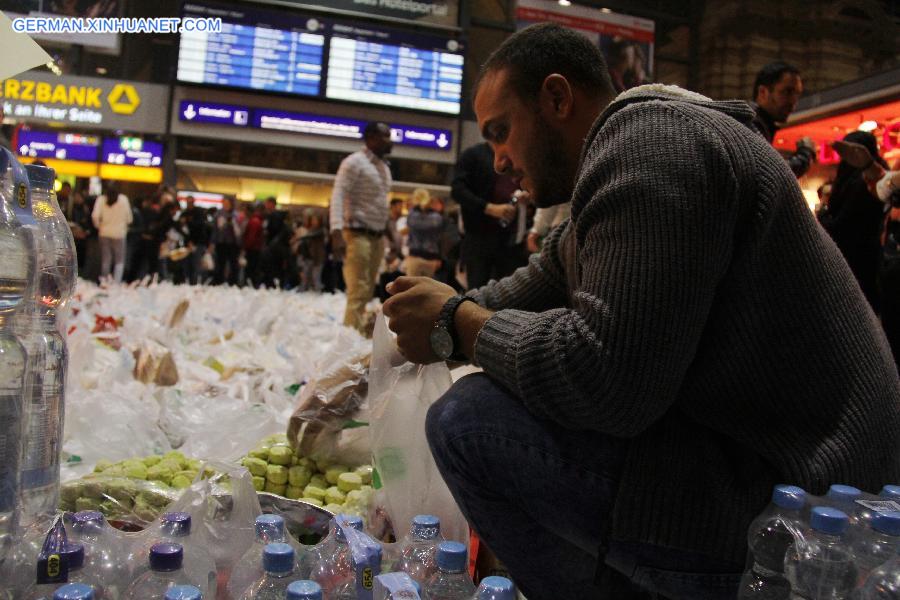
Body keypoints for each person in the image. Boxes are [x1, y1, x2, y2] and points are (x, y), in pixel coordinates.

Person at [381, 23, 900, 600]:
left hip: (810, 506)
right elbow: (533, 285)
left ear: (556, 98)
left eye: (502, 132)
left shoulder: (654, 142)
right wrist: (438, 315)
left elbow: (606, 377)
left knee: (468, 421)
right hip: (763, 460)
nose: (499, 161)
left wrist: (457, 325)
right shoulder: (624, 164)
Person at [329, 121, 393, 332]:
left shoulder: (384, 168)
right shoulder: (354, 162)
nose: (390, 141)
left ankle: (358, 333)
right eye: (385, 136)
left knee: (368, 290)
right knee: (358, 290)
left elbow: (380, 202)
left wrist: (387, 231)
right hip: (357, 233)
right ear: (371, 138)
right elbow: (338, 194)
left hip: (376, 236)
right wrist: (336, 230)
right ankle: (348, 344)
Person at [818, 130, 889, 313]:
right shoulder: (867, 181)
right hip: (869, 261)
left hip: (852, 263)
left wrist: (822, 215)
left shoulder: (859, 183)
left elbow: (842, 225)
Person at [452, 142, 527, 290]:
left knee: (508, 290)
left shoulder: (518, 153)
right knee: (477, 289)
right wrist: (488, 208)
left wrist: (527, 195)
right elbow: (457, 190)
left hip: (511, 239)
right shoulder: (473, 154)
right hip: (479, 235)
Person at [750, 61, 815, 177]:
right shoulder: (750, 121)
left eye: (797, 94)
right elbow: (771, 173)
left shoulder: (758, 122)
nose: (793, 102)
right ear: (763, 92)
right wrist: (805, 153)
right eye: (787, 92)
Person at [91, 181, 132, 283]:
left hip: (104, 233)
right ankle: (116, 284)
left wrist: (99, 226)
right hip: (119, 234)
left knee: (106, 260)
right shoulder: (124, 199)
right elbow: (130, 219)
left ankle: (104, 282)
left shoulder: (101, 199)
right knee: (119, 261)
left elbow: (95, 216)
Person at [404, 188, 445, 278]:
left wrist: (416, 207)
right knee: (417, 288)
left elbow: (418, 224)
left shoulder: (434, 217)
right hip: (422, 257)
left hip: (425, 257)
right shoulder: (436, 216)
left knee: (418, 288)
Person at [211, 197, 242, 285]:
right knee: (220, 263)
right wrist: (212, 242)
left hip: (233, 243)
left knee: (233, 264)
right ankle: (218, 282)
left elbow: (239, 231)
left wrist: (233, 223)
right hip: (221, 242)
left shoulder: (236, 215)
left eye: (228, 204)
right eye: (224, 204)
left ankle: (232, 283)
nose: (226, 206)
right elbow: (215, 230)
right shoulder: (218, 214)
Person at [242, 202, 265, 287]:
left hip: (252, 249)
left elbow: (251, 237)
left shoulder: (254, 221)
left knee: (251, 269)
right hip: (255, 248)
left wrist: (245, 247)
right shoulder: (257, 220)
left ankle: (250, 285)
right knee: (253, 269)